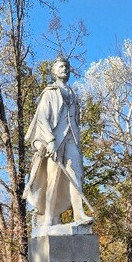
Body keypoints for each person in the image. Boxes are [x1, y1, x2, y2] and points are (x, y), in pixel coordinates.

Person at [23, 56, 93, 229]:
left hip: (72, 139)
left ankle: (79, 214)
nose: (65, 69)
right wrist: (50, 140)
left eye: (67, 67)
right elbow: (41, 119)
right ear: (54, 71)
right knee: (53, 178)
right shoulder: (49, 93)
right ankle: (48, 217)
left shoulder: (72, 93)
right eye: (61, 66)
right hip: (55, 140)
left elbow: (75, 119)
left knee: (76, 175)